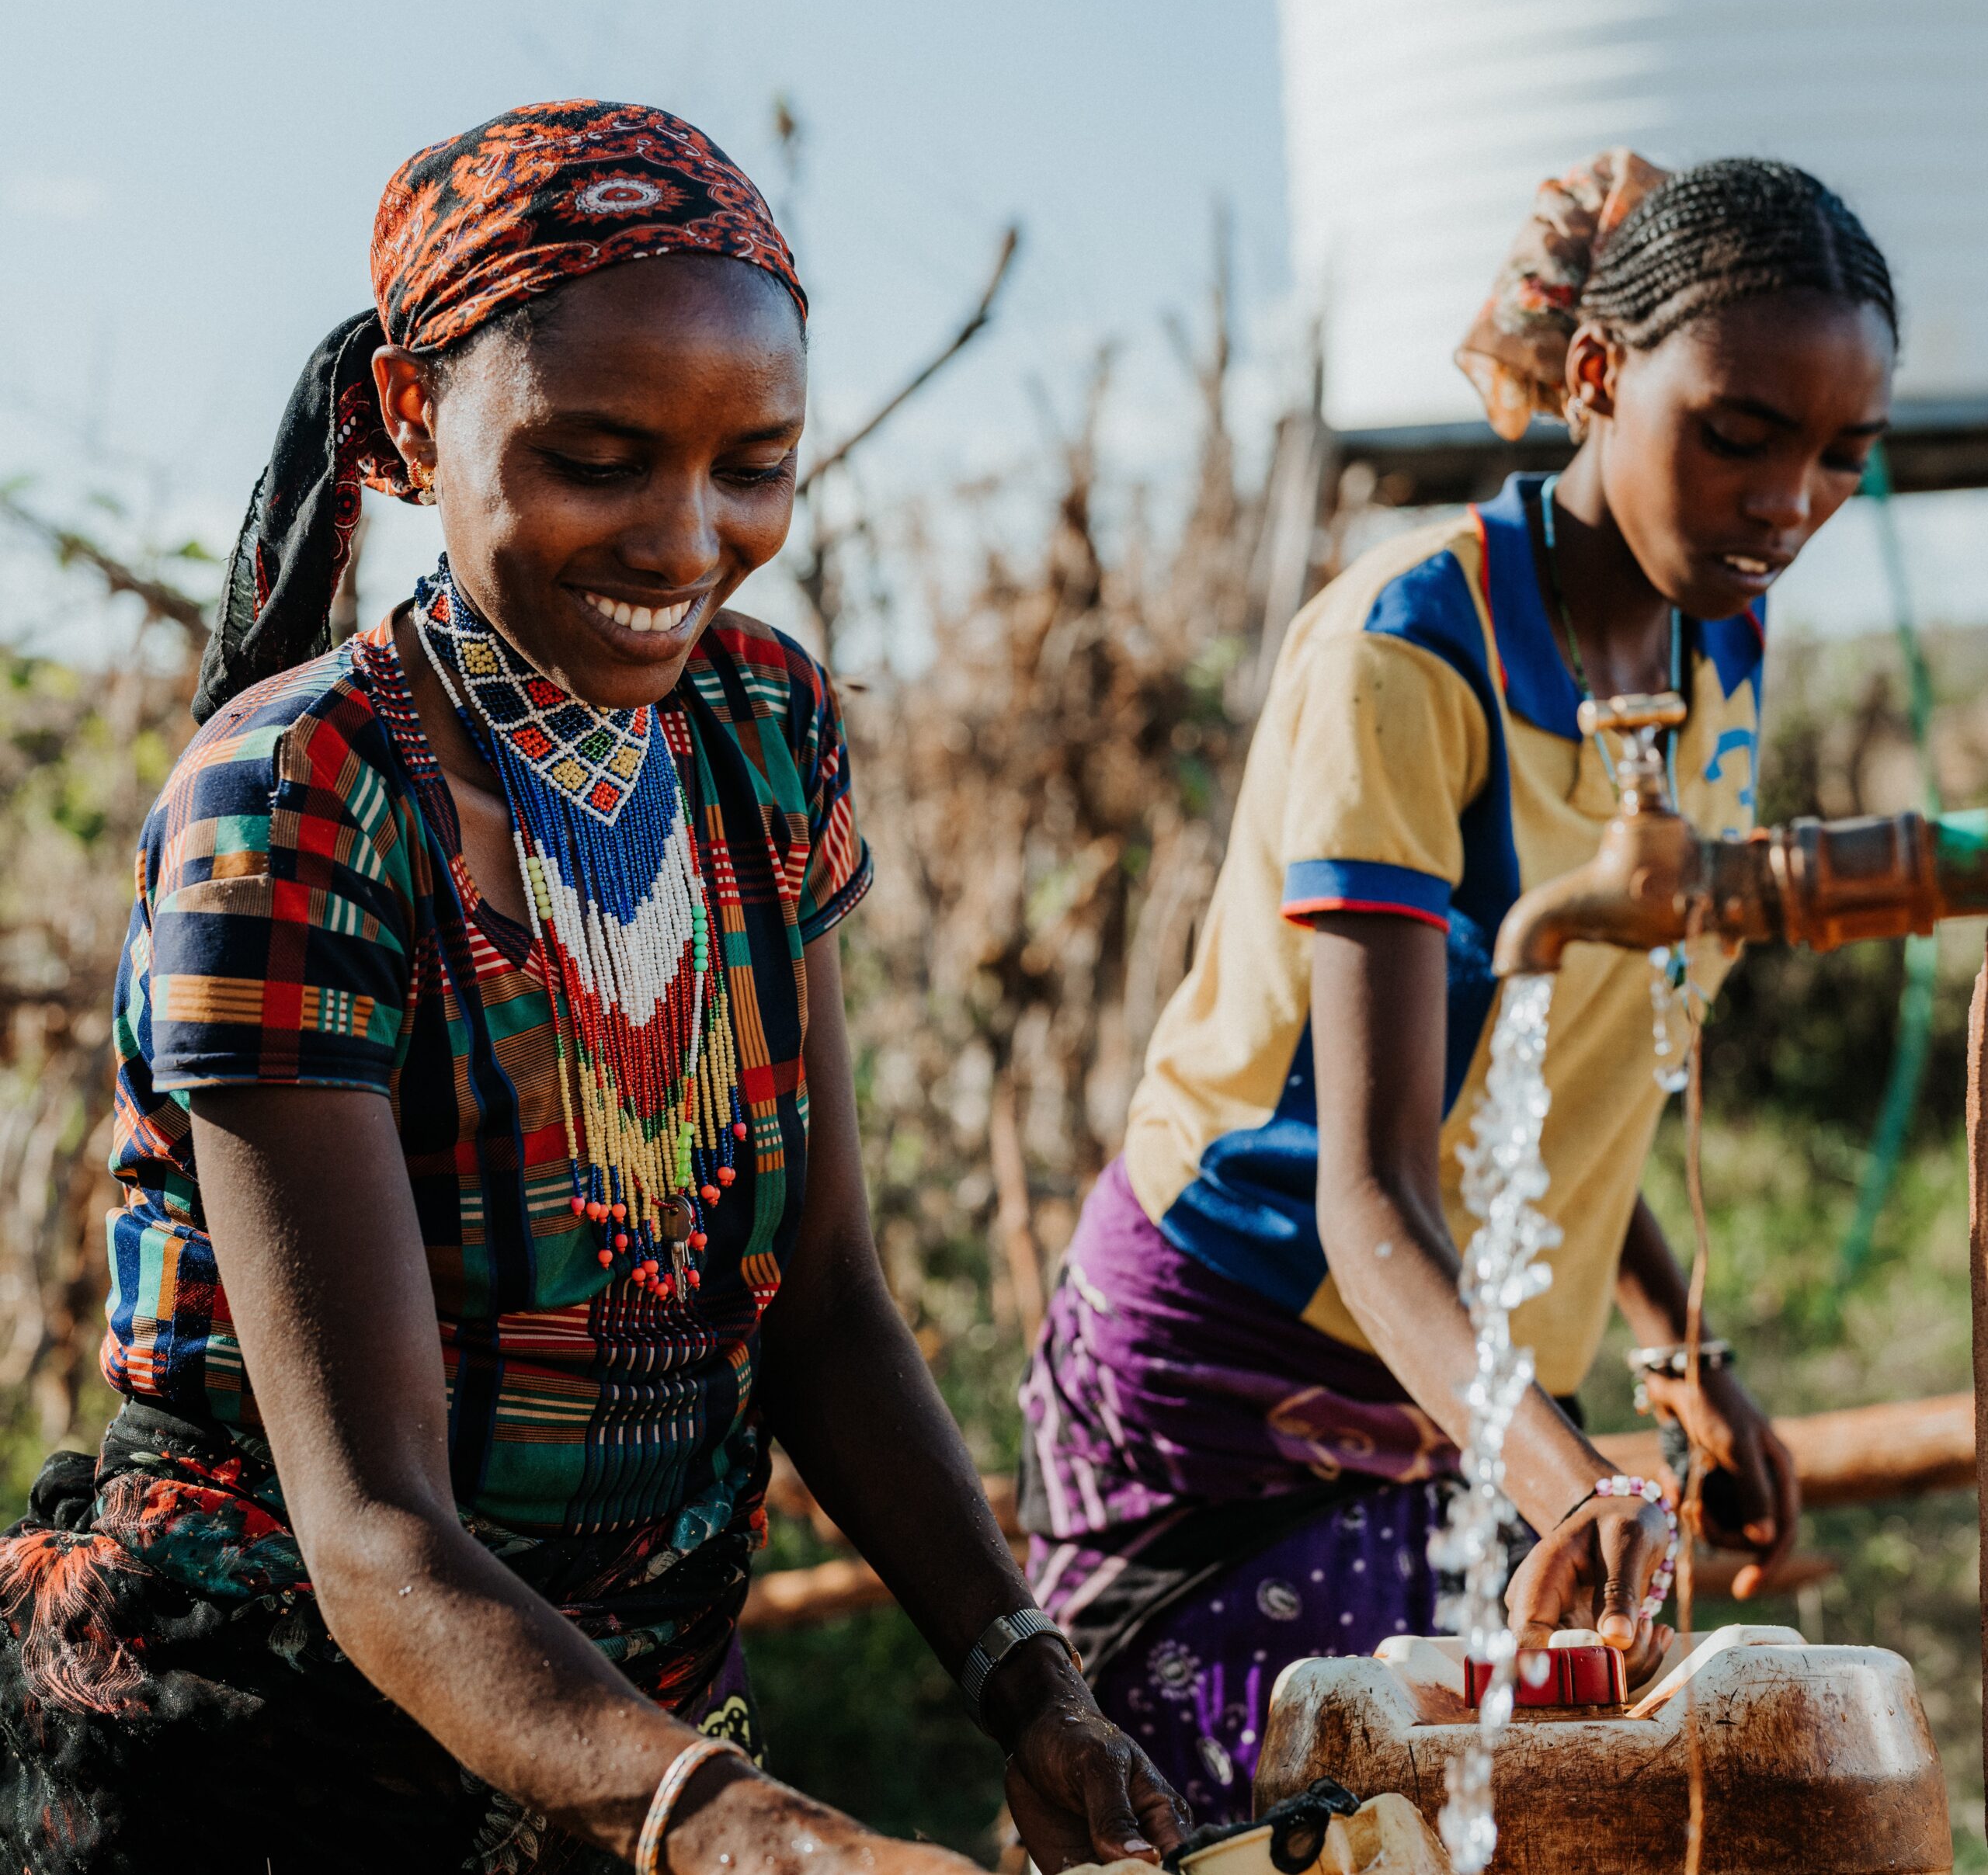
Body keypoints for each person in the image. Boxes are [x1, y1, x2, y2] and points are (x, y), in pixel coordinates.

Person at [0, 102, 1184, 1875]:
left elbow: (828, 1302)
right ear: (412, 422)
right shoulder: (302, 799)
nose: (682, 538)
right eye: (598, 454)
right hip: (261, 1761)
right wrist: (751, 1833)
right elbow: (377, 1523)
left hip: (619, 1750)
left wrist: (1033, 1686)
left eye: (754, 464)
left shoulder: (760, 731)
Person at [1020, 153, 1899, 1822]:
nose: (1786, 499)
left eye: (1841, 453)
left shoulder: (1719, 642)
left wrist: (1674, 1349)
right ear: (1593, 378)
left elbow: (1573, 1058)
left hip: (1464, 1381)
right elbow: (1370, 1189)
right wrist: (1570, 1483)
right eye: (1736, 434)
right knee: (1304, 1836)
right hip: (1244, 1364)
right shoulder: (1409, 659)